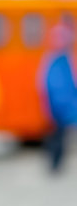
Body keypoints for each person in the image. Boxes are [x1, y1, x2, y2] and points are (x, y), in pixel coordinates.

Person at [41, 23, 77, 172]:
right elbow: (46, 85)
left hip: (63, 105)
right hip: (55, 105)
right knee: (56, 135)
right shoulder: (55, 60)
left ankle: (57, 163)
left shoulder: (65, 59)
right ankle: (54, 163)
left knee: (60, 135)